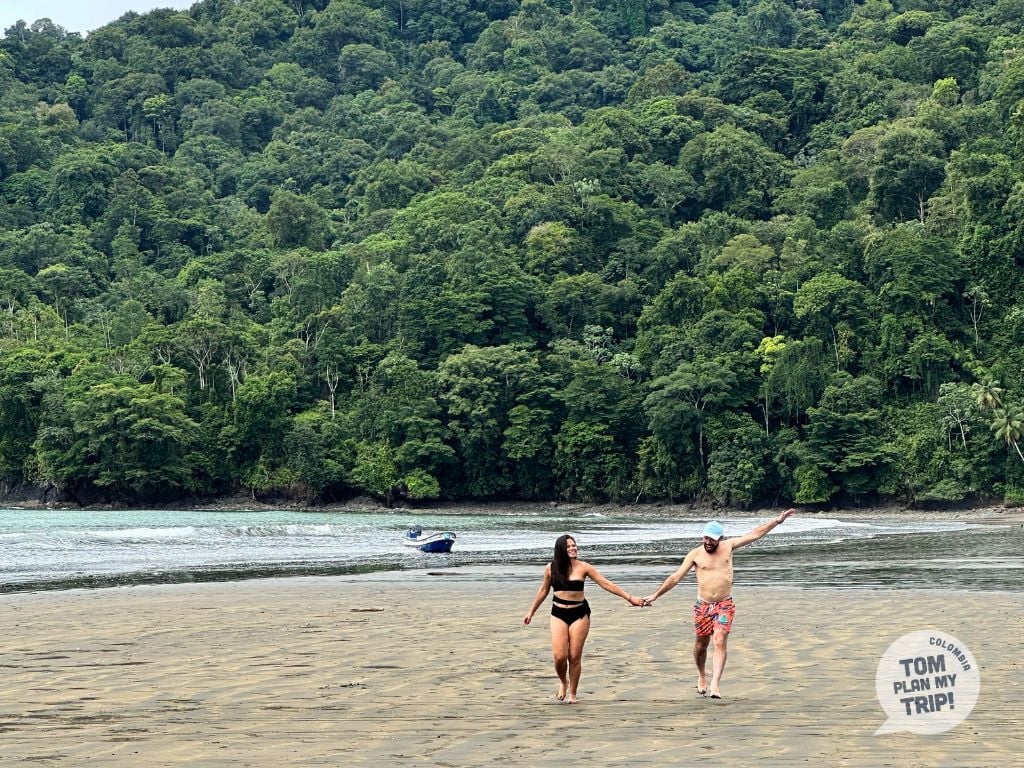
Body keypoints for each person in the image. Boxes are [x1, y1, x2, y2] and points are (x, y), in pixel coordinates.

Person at [643, 509, 796, 699]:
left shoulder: (729, 546)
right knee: (701, 645)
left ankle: (715, 683)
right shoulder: (695, 555)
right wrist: (656, 595)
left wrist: (777, 521)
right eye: (705, 538)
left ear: (720, 538)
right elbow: (675, 577)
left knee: (720, 640)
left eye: (712, 539)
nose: (708, 542)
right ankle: (701, 675)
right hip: (703, 606)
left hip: (724, 604)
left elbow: (754, 534)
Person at [524, 534, 646, 703]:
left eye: (574, 545)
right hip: (558, 614)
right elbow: (543, 591)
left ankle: (573, 693)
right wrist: (531, 612)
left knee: (574, 656)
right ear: (561, 549)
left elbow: (606, 584)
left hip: (579, 614)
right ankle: (563, 682)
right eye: (568, 546)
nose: (573, 548)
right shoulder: (551, 568)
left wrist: (629, 598)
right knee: (559, 656)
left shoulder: (584, 567)